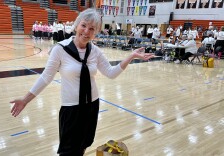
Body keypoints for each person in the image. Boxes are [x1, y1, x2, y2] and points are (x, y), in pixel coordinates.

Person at [10, 8, 153, 156]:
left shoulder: (95, 51)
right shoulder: (60, 49)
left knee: (83, 145)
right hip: (71, 109)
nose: (86, 31)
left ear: (95, 32)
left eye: (91, 29)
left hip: (91, 106)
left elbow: (111, 73)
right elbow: (46, 77)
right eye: (83, 25)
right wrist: (25, 100)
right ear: (76, 25)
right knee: (68, 151)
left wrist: (131, 57)